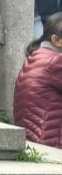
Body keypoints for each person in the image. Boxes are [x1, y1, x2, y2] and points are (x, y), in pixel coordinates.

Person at [15, 12, 62, 148]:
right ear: (56, 40)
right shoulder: (56, 62)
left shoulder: (36, 56)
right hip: (50, 143)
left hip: (34, 138)